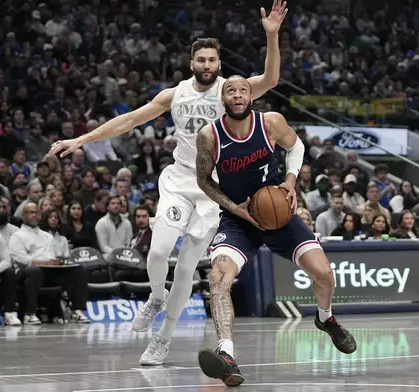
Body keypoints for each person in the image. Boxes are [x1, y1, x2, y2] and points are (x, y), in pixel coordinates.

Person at [49, 1, 287, 366]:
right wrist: (80, 140)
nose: (207, 65)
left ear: (219, 64)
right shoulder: (174, 95)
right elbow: (128, 120)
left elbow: (270, 80)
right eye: (201, 60)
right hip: (179, 181)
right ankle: (155, 298)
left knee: (189, 267)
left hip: (215, 192)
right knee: (158, 252)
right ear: (192, 63)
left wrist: (272, 36)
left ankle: (162, 339)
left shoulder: (232, 92)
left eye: (212, 60)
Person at [195, 75, 356, 386]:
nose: (238, 95)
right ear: (222, 99)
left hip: (278, 212)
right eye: (231, 91)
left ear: (251, 96)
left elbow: (296, 147)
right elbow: (204, 181)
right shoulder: (209, 136)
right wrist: (233, 206)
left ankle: (325, 319)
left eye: (243, 90)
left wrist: (291, 183)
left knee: (324, 274)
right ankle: (226, 354)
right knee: (218, 278)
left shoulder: (270, 123)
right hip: (239, 218)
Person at [9, 203, 90, 324]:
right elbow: (21, 260)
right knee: (34, 270)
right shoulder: (17, 236)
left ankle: (77, 311)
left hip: (48, 271)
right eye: (31, 212)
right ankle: (29, 314)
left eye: (36, 212)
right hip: (26, 272)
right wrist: (44, 262)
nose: (34, 215)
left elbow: (50, 256)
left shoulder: (47, 236)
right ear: (24, 216)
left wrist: (57, 262)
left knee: (80, 269)